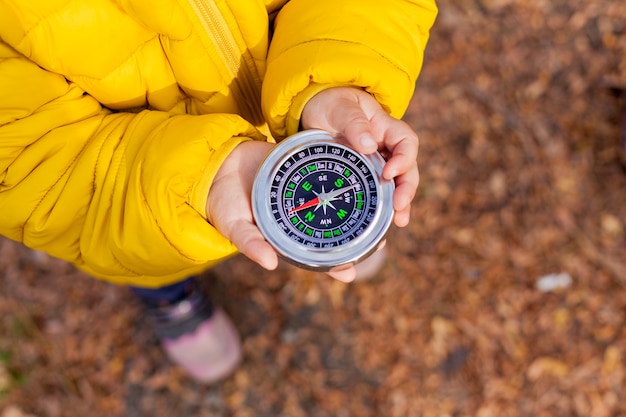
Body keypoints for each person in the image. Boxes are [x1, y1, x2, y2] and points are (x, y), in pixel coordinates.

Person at [0, 0, 438, 382]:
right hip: (144, 182)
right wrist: (197, 180)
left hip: (316, 118)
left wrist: (336, 78)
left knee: (339, 219)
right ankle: (172, 297)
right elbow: (31, 164)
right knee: (147, 245)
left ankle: (347, 224)